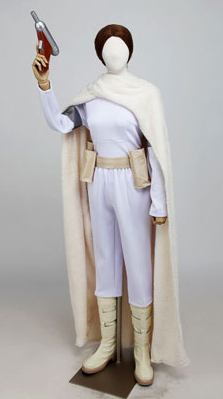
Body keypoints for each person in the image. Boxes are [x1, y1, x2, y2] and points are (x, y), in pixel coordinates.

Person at [32, 24, 189, 386]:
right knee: (105, 260)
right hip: (99, 180)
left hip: (133, 183)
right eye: (107, 48)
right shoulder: (92, 95)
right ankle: (106, 343)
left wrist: (159, 202)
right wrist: (44, 86)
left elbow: (156, 149)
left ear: (130, 51)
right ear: (99, 54)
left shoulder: (146, 94)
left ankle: (143, 351)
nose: (114, 53)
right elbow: (61, 123)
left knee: (138, 260)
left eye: (120, 47)